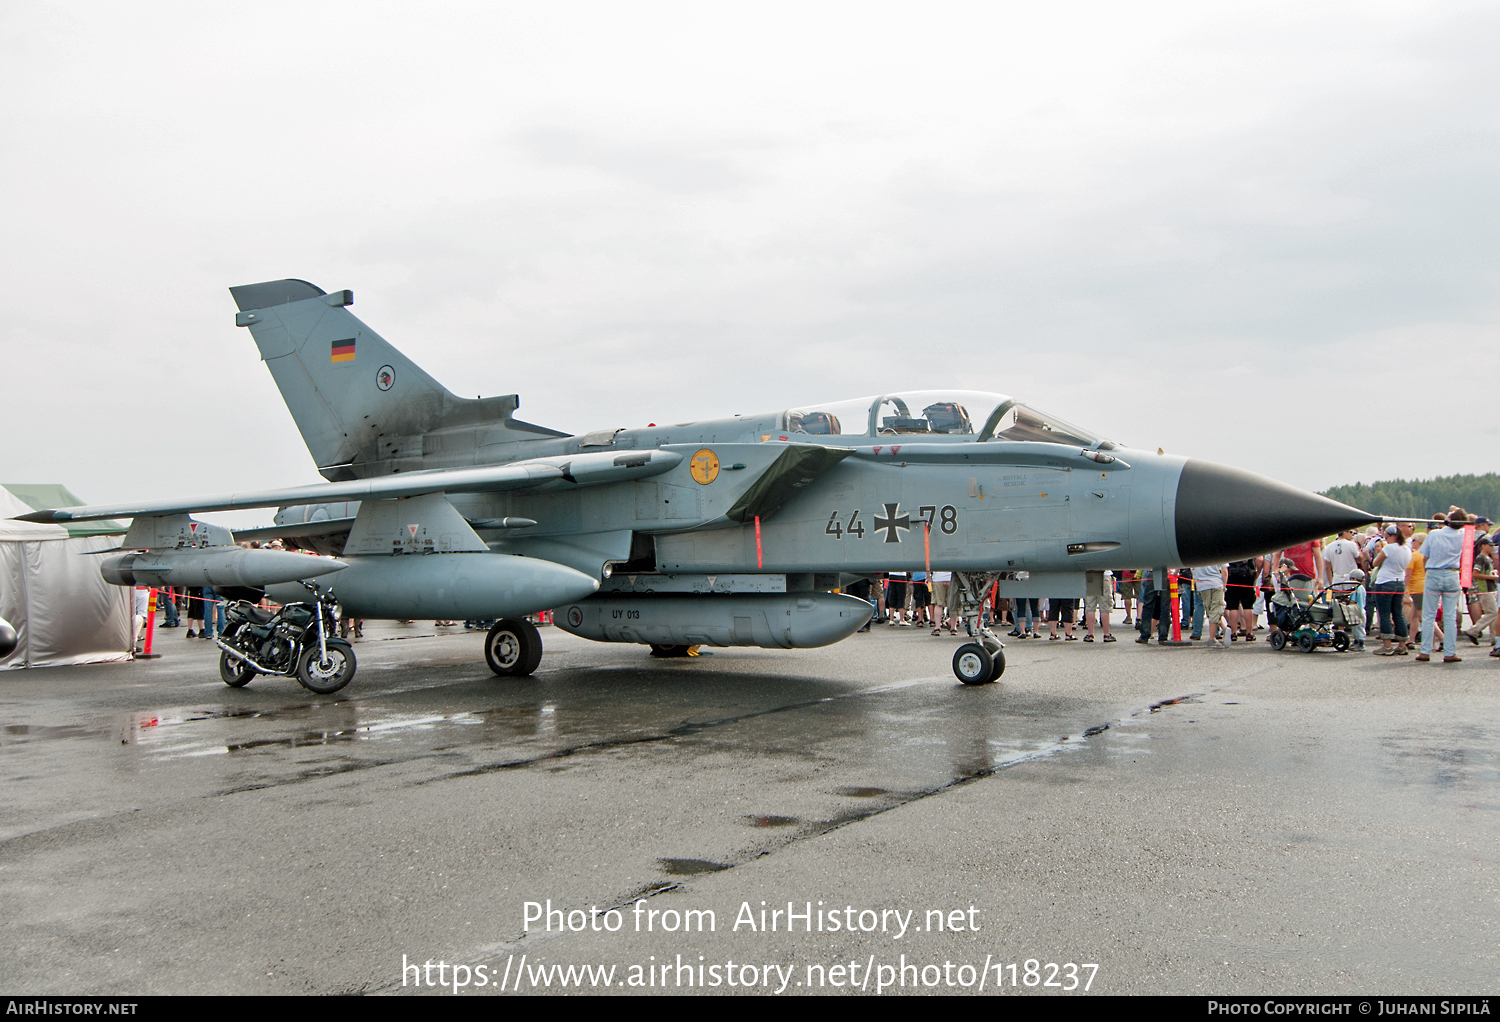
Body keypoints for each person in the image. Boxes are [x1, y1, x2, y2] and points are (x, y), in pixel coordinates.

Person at [1417, 509, 1469, 663]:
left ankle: (1425, 651)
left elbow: (1424, 556)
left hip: (1434, 572)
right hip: (1452, 573)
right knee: (1450, 616)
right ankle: (1450, 652)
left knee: (1428, 615)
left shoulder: (1434, 534)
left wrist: (1428, 571)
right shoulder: (1463, 536)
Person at [1370, 524, 1410, 655]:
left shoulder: (1389, 548)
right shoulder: (1406, 548)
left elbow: (1375, 563)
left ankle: (1387, 646)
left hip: (1385, 581)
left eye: (1387, 537)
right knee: (1398, 613)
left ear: (1393, 536)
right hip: (1399, 581)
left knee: (1385, 614)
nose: (1385, 539)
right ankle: (1402, 644)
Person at [1463, 536, 1497, 652]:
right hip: (1484, 589)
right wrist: (1493, 577)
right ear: (1483, 546)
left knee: (1492, 613)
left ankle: (1494, 638)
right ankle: (1473, 630)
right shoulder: (1481, 558)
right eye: (1490, 545)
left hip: (1491, 588)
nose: (1492, 548)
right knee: (1493, 612)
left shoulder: (1488, 558)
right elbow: (1475, 574)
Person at [1191, 562, 1228, 647]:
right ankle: (1212, 638)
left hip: (1202, 585)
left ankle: (1224, 629)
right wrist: (1224, 585)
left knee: (1210, 611)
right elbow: (1224, 571)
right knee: (1216, 610)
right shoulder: (1219, 551)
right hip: (1216, 583)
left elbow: (1192, 569)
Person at [1225, 556, 1259, 640]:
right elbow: (1260, 560)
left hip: (1232, 573)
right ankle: (1249, 633)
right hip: (1247, 573)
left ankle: (1233, 633)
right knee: (1248, 605)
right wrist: (1257, 572)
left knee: (1233, 606)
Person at [1081, 570, 1115, 642]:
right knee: (1105, 606)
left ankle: (1090, 634)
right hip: (1105, 574)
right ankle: (1106, 634)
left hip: (1090, 574)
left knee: (1090, 606)